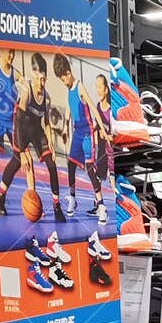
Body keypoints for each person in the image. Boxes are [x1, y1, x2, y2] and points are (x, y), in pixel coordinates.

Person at [0, 52, 66, 223]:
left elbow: (47, 123)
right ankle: (0, 197)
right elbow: (18, 119)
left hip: (36, 130)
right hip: (20, 127)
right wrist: (21, 151)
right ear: (33, 74)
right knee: (19, 162)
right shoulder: (26, 89)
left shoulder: (47, 98)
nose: (42, 83)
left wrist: (50, 145)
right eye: (39, 78)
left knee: (51, 163)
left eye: (44, 79)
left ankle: (57, 206)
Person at [52, 54, 104, 220]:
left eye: (63, 79)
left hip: (88, 133)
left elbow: (93, 109)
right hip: (77, 134)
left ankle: (101, 205)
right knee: (71, 166)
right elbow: (69, 108)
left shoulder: (79, 87)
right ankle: (73, 199)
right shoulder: (69, 90)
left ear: (68, 73)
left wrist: (101, 127)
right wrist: (65, 127)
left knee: (89, 169)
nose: (63, 82)